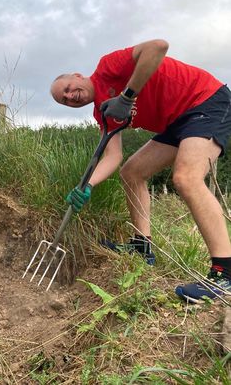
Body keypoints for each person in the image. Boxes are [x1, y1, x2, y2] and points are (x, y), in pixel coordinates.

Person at [50, 39, 231, 303]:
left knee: (186, 178)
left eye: (67, 88)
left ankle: (224, 273)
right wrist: (88, 185)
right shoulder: (103, 113)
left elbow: (158, 47)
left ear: (78, 76)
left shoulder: (108, 67)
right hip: (177, 121)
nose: (69, 96)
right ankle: (141, 246)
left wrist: (126, 96)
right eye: (64, 101)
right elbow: (113, 156)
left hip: (205, 101)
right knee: (131, 172)